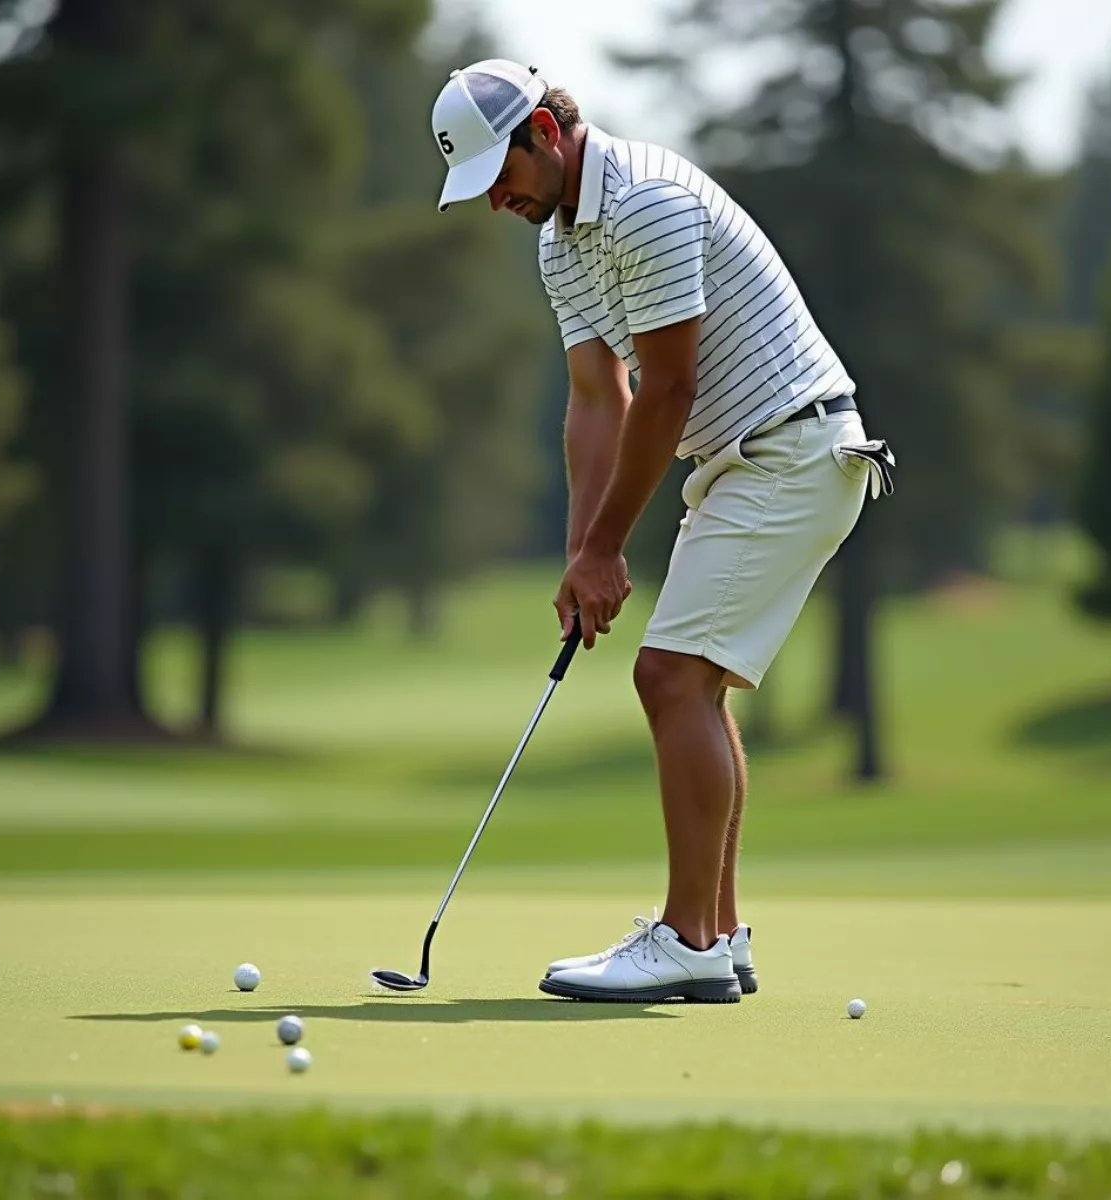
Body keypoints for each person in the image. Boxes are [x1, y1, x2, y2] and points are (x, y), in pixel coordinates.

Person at [430, 60, 894, 1003]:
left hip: (792, 448)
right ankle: (716, 938)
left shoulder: (642, 199)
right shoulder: (559, 243)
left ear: (545, 136)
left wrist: (608, 546)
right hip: (742, 462)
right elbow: (600, 398)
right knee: (696, 682)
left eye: (499, 176)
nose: (495, 202)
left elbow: (669, 387)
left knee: (669, 674)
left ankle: (687, 941)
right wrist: (580, 552)